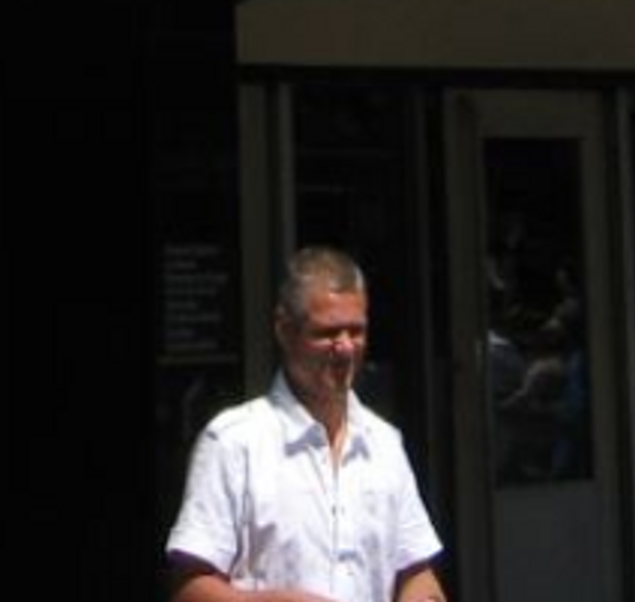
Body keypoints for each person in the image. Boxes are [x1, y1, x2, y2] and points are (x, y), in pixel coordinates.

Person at [164, 246, 449, 602]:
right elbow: (189, 588)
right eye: (328, 333)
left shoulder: (384, 444)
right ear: (285, 331)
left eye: (356, 331)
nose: (345, 348)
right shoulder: (234, 442)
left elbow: (416, 570)